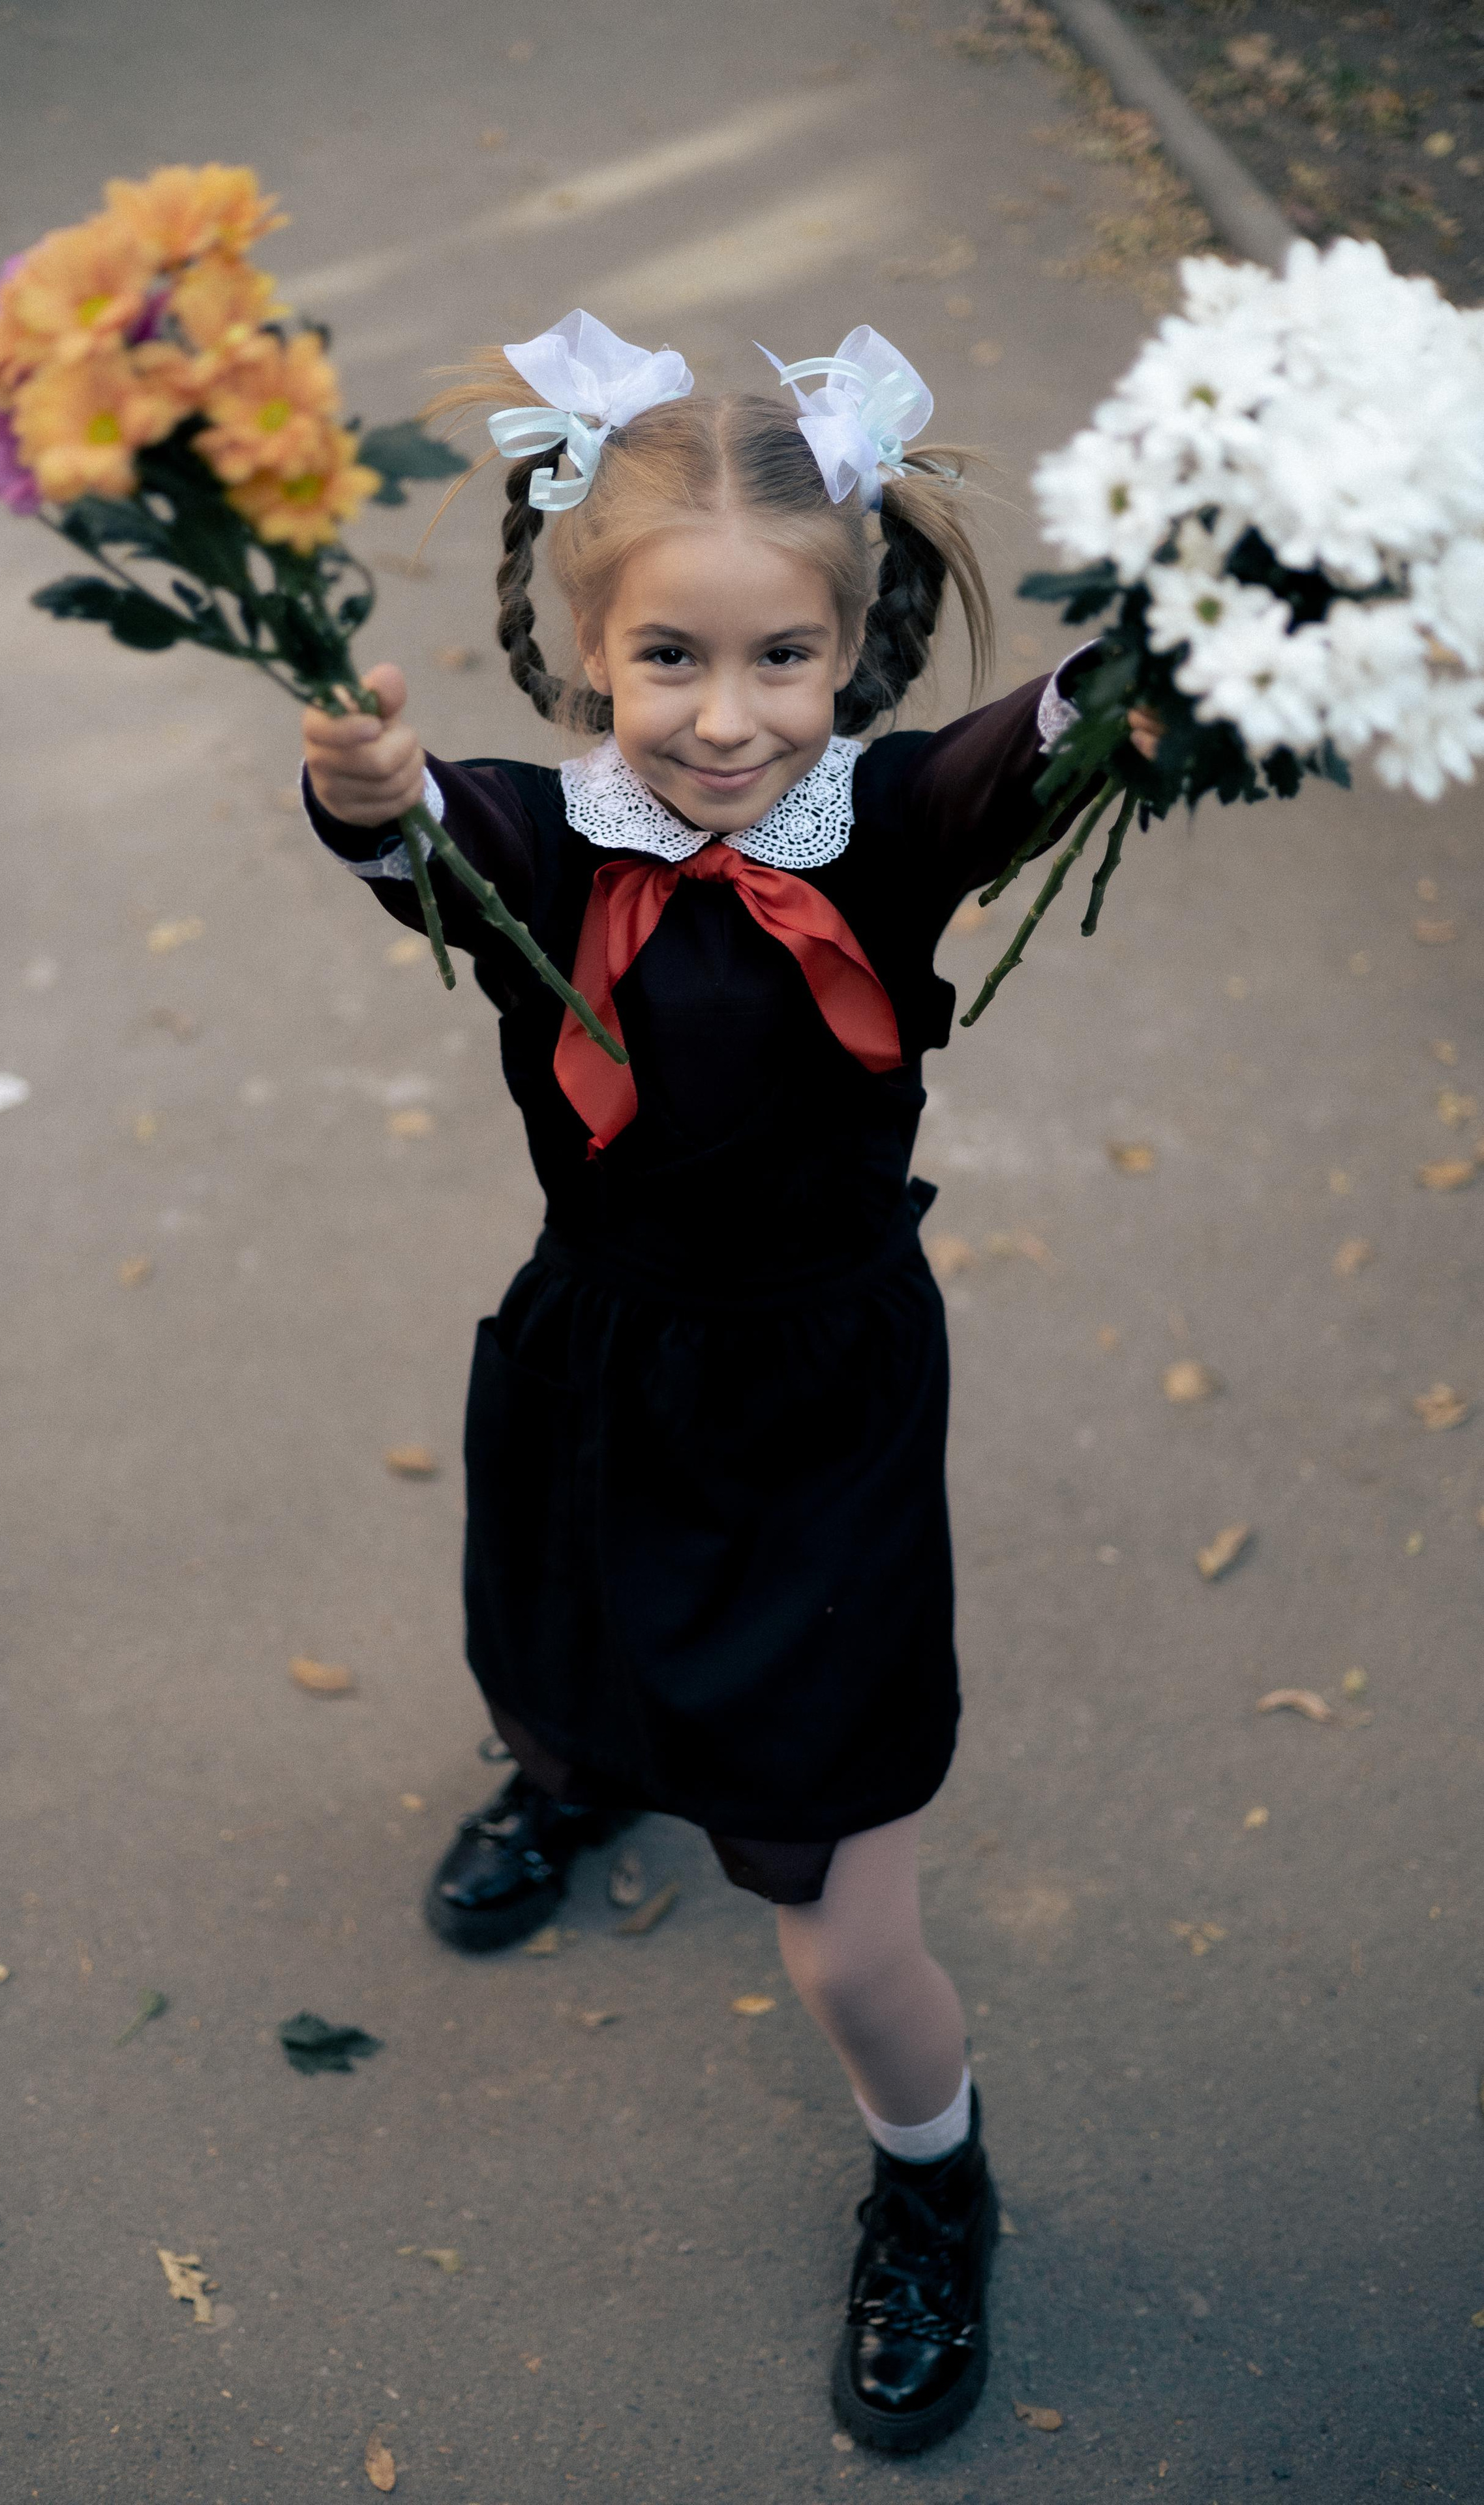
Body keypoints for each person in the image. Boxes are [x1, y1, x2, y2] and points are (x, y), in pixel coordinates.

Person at [301, 311, 1156, 2455]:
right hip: (603, 1363)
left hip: (829, 1408)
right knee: (569, 1649)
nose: (725, 715)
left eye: (782, 659)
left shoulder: (887, 820)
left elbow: (1052, 731)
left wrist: (1199, 637)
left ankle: (935, 2171)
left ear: (851, 650)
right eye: (669, 657)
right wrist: (357, 797)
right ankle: (580, 1770)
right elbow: (420, 832)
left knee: (842, 1927)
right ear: (588, 645)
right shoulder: (538, 831)